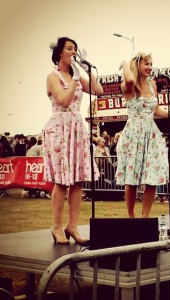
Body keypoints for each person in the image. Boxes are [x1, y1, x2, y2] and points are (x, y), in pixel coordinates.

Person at [43, 37, 103, 245]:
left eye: (75, 49)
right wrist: (76, 78)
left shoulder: (76, 75)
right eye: (70, 49)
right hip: (60, 127)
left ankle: (73, 225)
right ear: (60, 52)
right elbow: (64, 100)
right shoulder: (53, 76)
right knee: (61, 181)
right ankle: (57, 227)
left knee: (77, 180)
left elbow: (98, 90)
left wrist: (85, 69)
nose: (74, 52)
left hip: (77, 127)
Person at [116, 52, 170, 218]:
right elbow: (130, 80)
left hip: (151, 132)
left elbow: (156, 110)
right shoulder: (128, 85)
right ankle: (131, 216)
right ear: (138, 65)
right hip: (134, 132)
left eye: (151, 63)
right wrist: (125, 64)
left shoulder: (152, 84)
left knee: (152, 176)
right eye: (146, 64)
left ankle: (145, 216)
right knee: (132, 178)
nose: (149, 67)